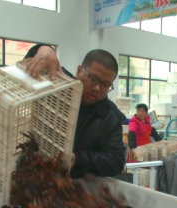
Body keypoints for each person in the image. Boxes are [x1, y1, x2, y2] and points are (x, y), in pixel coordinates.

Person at [24, 45, 125, 178]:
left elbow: (116, 161)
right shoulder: (58, 83)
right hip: (34, 170)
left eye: (105, 85)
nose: (97, 88)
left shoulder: (110, 118)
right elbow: (32, 62)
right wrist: (44, 49)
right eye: (92, 79)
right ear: (79, 71)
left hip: (72, 183)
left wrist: (78, 159)